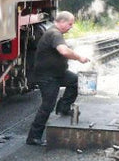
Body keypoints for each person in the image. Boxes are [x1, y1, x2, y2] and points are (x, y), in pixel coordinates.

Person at [26, 11, 90, 146]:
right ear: (61, 22)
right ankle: (33, 137)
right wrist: (80, 58)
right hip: (47, 77)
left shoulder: (55, 33)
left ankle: (63, 108)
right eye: (70, 24)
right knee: (47, 105)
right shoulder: (54, 33)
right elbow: (64, 51)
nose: (71, 26)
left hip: (58, 73)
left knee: (75, 81)